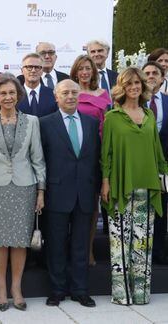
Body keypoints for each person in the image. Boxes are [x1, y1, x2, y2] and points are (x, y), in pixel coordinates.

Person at [0, 73, 45, 311]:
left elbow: (38, 159)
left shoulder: (32, 121)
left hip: (25, 187)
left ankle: (16, 287)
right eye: (3, 93)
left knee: (20, 242)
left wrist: (41, 191)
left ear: (18, 95)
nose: (8, 97)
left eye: (12, 93)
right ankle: (1, 288)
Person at [101, 67, 168, 305]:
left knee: (143, 241)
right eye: (129, 84)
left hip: (147, 185)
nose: (134, 88)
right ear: (122, 87)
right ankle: (122, 294)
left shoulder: (149, 116)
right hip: (121, 186)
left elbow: (157, 151)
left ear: (143, 86)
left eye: (137, 83)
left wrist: (165, 174)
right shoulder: (112, 117)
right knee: (120, 241)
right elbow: (106, 153)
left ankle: (141, 294)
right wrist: (106, 182)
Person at [40, 79, 100, 308]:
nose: (71, 96)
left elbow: (95, 159)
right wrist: (41, 191)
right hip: (56, 192)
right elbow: (40, 160)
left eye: (74, 92)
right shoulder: (45, 124)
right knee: (55, 244)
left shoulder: (92, 123)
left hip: (85, 191)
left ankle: (80, 290)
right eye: (65, 92)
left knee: (80, 244)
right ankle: (57, 290)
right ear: (56, 96)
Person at [70, 54, 111, 266]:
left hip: (95, 156)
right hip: (71, 156)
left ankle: (88, 250)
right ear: (75, 71)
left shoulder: (103, 94)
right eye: (81, 69)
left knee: (91, 207)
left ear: (94, 72)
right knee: (71, 205)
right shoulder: (69, 92)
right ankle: (72, 250)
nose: (85, 72)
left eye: (88, 69)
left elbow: (107, 126)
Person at [143, 61, 168, 265]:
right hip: (139, 165)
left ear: (162, 77)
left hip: (164, 165)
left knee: (161, 209)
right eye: (147, 73)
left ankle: (159, 251)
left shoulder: (167, 102)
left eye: (155, 73)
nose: (151, 76)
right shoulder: (131, 103)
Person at [17, 53, 58, 117]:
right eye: (29, 67)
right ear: (22, 70)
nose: (33, 70)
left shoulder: (53, 94)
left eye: (37, 67)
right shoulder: (15, 95)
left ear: (42, 71)